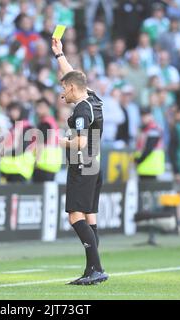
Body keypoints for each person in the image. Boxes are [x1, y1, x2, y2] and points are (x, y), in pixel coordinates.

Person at [52, 37, 108, 285]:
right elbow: (73, 75)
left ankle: (95, 268)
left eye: (64, 88)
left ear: (72, 88)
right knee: (90, 216)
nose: (62, 92)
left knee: (75, 216)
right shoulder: (93, 98)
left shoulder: (81, 111)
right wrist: (59, 54)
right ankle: (93, 269)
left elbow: (81, 142)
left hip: (82, 165)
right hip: (94, 165)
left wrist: (61, 141)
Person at [33, 98, 62, 182]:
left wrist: (36, 162)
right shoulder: (53, 122)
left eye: (41, 107)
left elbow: (40, 143)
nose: (38, 110)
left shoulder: (45, 123)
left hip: (43, 165)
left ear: (48, 108)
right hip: (52, 165)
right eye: (37, 107)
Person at [134, 107, 165, 180]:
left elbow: (149, 148)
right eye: (142, 116)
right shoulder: (144, 129)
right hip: (144, 167)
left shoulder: (153, 129)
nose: (143, 118)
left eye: (146, 115)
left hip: (151, 167)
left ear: (151, 116)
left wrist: (138, 160)